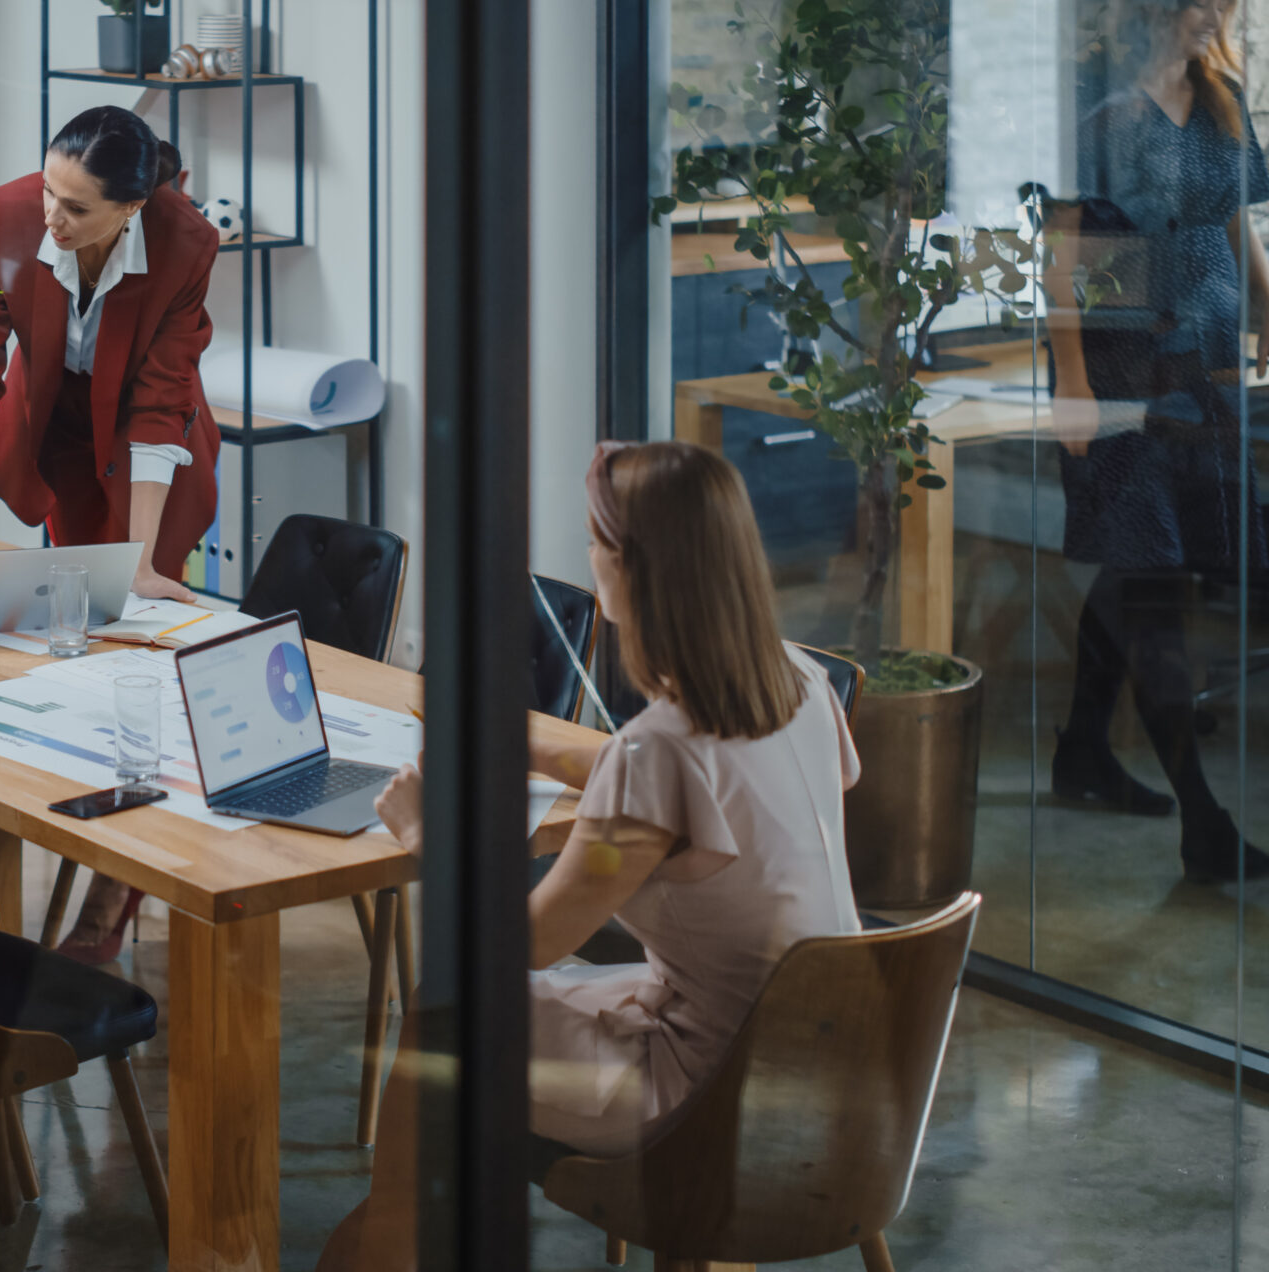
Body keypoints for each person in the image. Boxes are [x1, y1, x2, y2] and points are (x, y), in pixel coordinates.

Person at [319, 441, 863, 1269]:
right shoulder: (802, 683)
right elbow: (708, 789)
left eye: (593, 542)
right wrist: (529, 742)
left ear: (630, 570)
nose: (586, 557)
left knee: (443, 1009)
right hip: (830, 1064)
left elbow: (523, 945)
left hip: (707, 1098)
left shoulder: (659, 755)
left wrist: (423, 832)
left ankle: (392, 1242)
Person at [0, 104, 221, 962]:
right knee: (77, 638)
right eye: (49, 190)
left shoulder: (185, 242)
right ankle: (70, 833)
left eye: (75, 209)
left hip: (151, 454)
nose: (51, 217)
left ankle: (112, 902)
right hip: (62, 438)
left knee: (146, 647)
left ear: (132, 209)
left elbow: (159, 399)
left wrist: (142, 558)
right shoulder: (6, 213)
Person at [1044, 0, 1269, 882]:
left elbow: (1236, 219)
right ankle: (1202, 817)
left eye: (1225, 1)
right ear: (1157, 3)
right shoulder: (1105, 114)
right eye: (1204, 0)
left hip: (1208, 375)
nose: (1217, 17)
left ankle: (1081, 752)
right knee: (1152, 590)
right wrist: (1070, 382)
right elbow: (1061, 254)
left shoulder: (1221, 102)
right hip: (1124, 372)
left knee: (1148, 570)